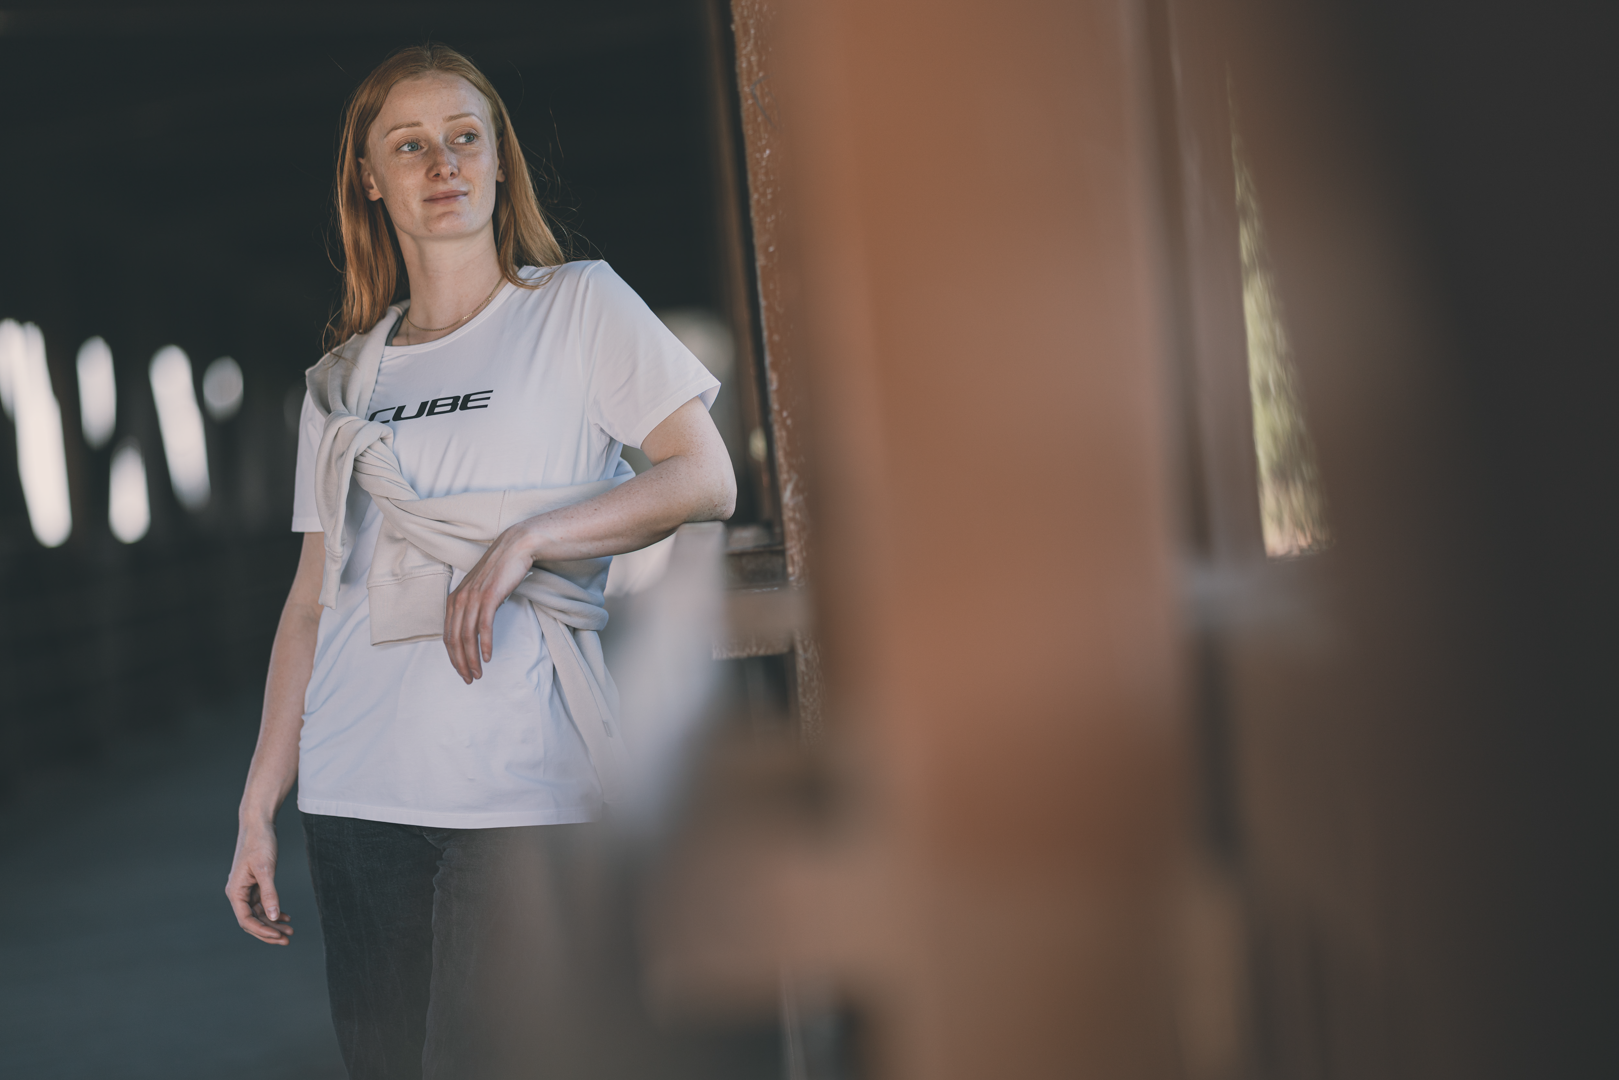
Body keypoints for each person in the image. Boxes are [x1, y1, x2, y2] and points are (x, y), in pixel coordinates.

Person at [224, 43, 735, 1079]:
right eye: (409, 145)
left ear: (500, 160)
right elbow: (313, 602)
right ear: (371, 178)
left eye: (465, 137)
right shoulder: (342, 379)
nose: (443, 163)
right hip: (355, 793)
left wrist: (528, 539)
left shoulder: (578, 307)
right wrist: (255, 808)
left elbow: (703, 478)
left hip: (521, 788)